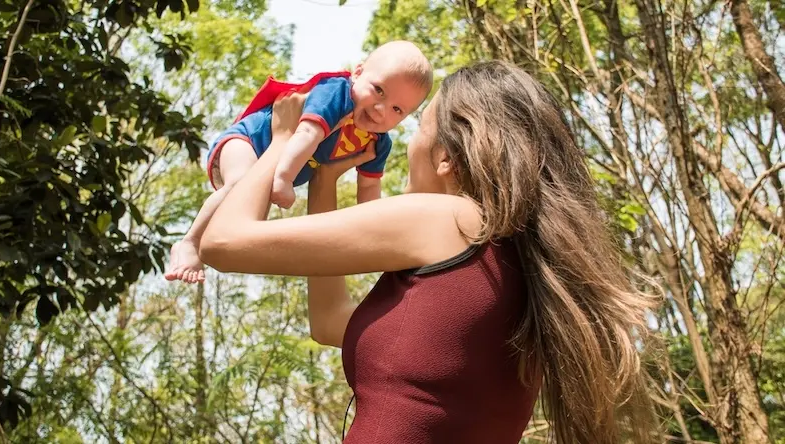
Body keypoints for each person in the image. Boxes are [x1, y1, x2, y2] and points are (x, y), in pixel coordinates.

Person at [198, 60, 659, 443]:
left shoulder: (449, 220)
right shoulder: (517, 263)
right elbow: (330, 322)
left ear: (446, 158)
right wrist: (325, 179)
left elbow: (223, 242)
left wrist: (281, 140)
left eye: (418, 126)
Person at [165, 40, 433, 283]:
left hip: (273, 166)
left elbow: (369, 189)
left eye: (397, 109)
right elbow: (307, 133)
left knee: (249, 220)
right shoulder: (336, 93)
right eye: (379, 91)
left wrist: (376, 232)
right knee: (239, 183)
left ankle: (210, 244)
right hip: (249, 140)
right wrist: (283, 178)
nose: (381, 110)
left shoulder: (377, 143)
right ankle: (190, 242)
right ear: (358, 73)